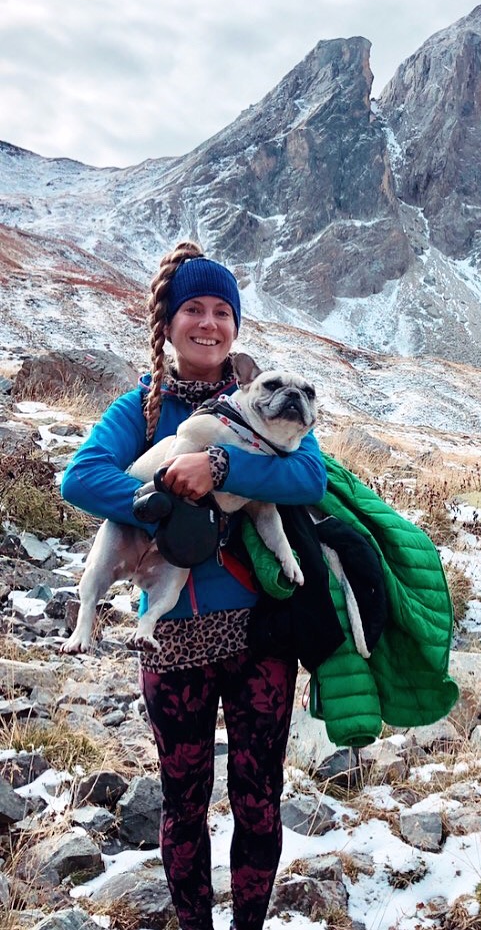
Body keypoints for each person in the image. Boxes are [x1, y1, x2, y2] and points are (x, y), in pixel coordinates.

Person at [61, 240, 327, 930]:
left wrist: (223, 469)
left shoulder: (264, 405)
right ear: (169, 322)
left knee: (259, 799)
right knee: (183, 804)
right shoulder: (141, 410)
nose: (208, 323)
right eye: (194, 309)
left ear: (235, 327)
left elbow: (309, 477)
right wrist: (169, 501)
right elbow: (80, 478)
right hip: (173, 635)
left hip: (261, 633)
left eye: (222, 312)